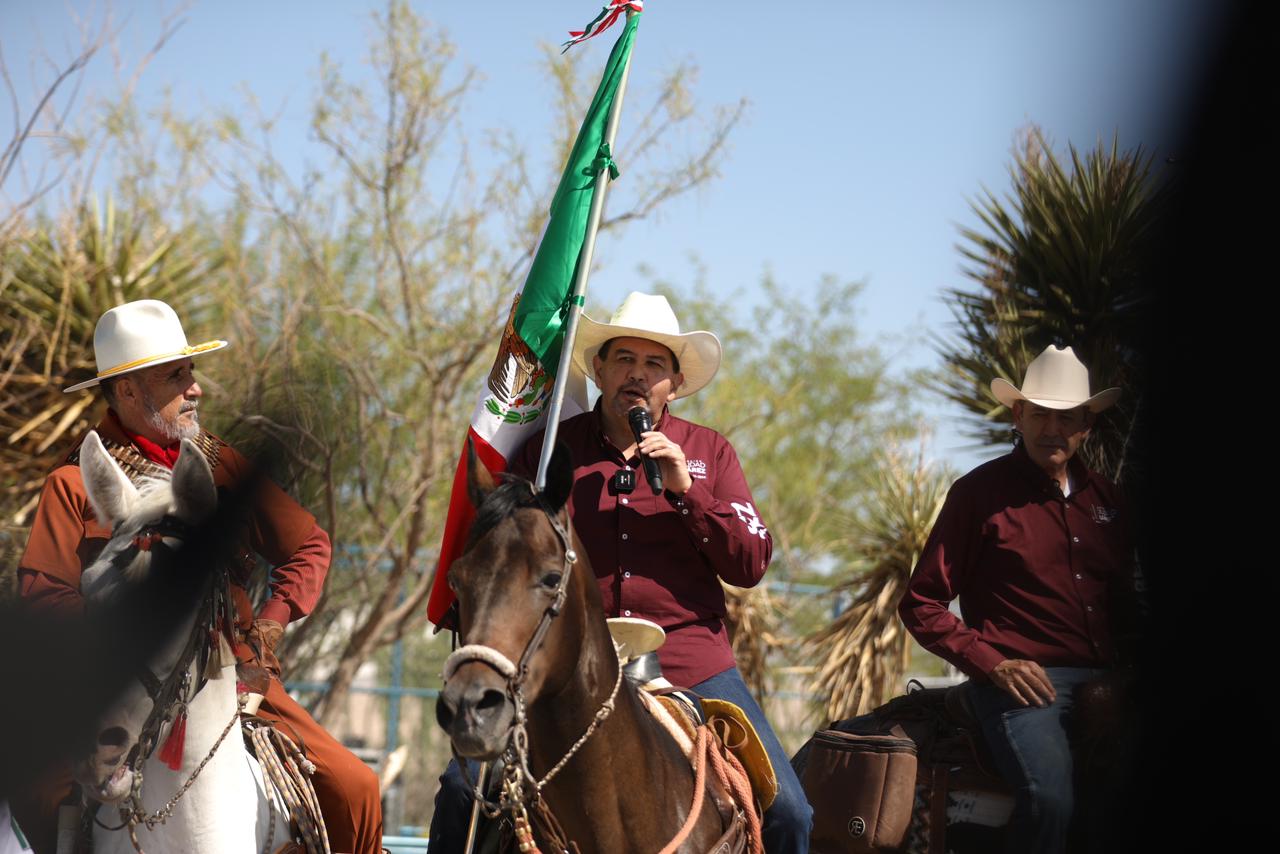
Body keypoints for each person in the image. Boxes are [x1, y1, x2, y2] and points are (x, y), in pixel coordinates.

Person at [429, 292, 812, 854]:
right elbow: (501, 555)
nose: (638, 374)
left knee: (790, 815)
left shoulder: (710, 452)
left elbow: (751, 562)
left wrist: (688, 491)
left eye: (655, 364)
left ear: (675, 383)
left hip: (692, 665)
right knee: (461, 795)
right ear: (599, 369)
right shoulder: (547, 452)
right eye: (624, 359)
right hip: (571, 668)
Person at [13, 299, 383, 854]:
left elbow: (309, 545)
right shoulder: (72, 484)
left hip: (228, 675)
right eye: (177, 375)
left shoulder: (223, 466)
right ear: (132, 391)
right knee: (39, 791)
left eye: (191, 372)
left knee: (357, 787)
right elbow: (43, 594)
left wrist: (269, 630)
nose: (196, 388)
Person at [898, 344, 1136, 854]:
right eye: (1042, 414)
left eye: (1067, 417)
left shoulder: (1109, 502)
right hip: (1024, 685)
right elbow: (922, 604)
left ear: (1086, 425)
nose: (1054, 429)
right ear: (1018, 415)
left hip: (1110, 681)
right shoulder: (978, 494)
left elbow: (1127, 608)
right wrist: (994, 665)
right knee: (1048, 798)